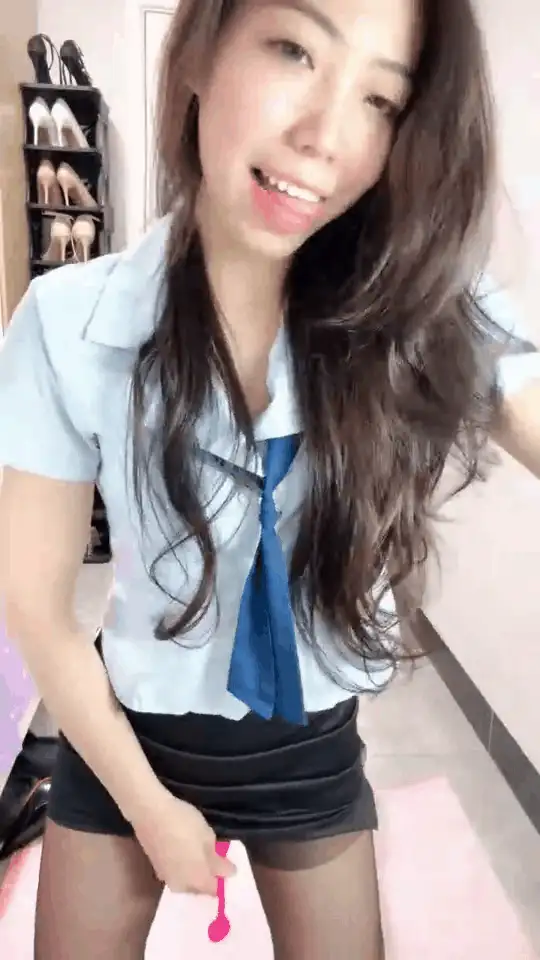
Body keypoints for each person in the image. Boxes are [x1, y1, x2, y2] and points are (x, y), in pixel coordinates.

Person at [0, 0, 539, 957]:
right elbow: (36, 606)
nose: (325, 136)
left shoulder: (426, 310)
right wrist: (149, 810)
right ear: (199, 52)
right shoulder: (67, 321)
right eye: (294, 50)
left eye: (381, 100)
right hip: (125, 741)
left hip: (311, 747)